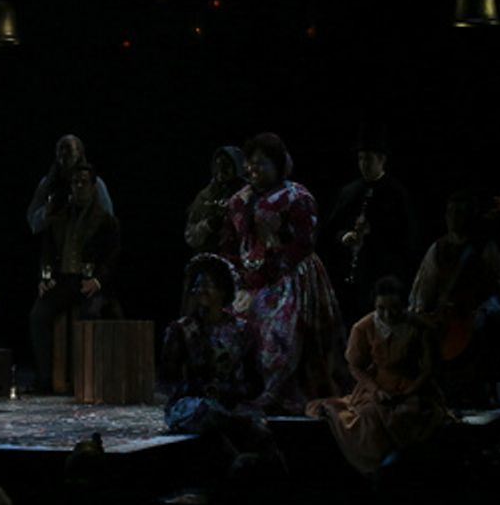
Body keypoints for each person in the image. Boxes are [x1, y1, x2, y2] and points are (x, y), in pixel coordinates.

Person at [221, 133, 345, 414]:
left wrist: (273, 268)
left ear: (277, 165)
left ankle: (278, 393)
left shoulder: (295, 197)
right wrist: (236, 270)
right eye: (250, 164)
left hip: (288, 277)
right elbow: (229, 240)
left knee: (279, 334)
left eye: (261, 164)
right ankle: (249, 390)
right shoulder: (238, 200)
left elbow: (304, 241)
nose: (253, 170)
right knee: (237, 331)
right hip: (249, 279)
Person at [307, 276, 448, 476]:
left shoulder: (420, 328)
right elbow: (355, 366)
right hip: (377, 383)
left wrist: (409, 391)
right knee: (369, 416)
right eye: (381, 308)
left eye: (394, 308)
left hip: (413, 384)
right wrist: (376, 390)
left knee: (410, 414)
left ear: (404, 305)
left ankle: (406, 466)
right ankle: (378, 465)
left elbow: (428, 369)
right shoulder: (364, 327)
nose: (388, 314)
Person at [29, 163, 121, 394]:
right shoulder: (59, 217)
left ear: (92, 187)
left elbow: (113, 258)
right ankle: (45, 379)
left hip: (90, 283)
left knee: (89, 315)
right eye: (75, 182)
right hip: (63, 281)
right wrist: (44, 277)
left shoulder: (105, 220)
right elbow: (47, 252)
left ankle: (86, 378)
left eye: (84, 182)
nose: (79, 186)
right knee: (38, 315)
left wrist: (98, 281)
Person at [409, 190, 500, 405]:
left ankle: (479, 387)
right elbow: (425, 287)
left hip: (473, 311)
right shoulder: (438, 248)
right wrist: (421, 313)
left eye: (460, 213)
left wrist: (484, 307)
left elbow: (497, 287)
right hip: (445, 314)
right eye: (450, 213)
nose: (453, 218)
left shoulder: (483, 248)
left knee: (488, 325)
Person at [322, 134, 418, 323]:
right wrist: (344, 236)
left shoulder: (395, 192)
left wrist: (375, 233)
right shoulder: (349, 191)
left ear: (381, 160)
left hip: (380, 272)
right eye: (360, 158)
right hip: (349, 276)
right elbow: (332, 228)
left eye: (368, 158)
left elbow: (407, 237)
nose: (363, 164)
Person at [160, 254, 258, 422]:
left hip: (230, 403)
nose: (200, 291)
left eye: (207, 285)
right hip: (192, 406)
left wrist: (228, 392)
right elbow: (167, 379)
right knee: (208, 415)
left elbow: (255, 382)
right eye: (197, 286)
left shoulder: (242, 330)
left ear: (223, 290)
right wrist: (197, 390)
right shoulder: (181, 329)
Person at [26, 135, 115, 235]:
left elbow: (108, 220)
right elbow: (33, 221)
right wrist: (47, 211)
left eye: (68, 148)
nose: (64, 153)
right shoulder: (47, 183)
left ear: (79, 152)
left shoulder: (95, 183)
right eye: (60, 149)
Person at [184, 146, 246, 253]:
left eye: (226, 165)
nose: (221, 170)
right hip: (212, 259)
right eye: (217, 165)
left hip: (242, 259)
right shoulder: (205, 195)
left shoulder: (249, 193)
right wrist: (207, 225)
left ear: (238, 167)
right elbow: (190, 236)